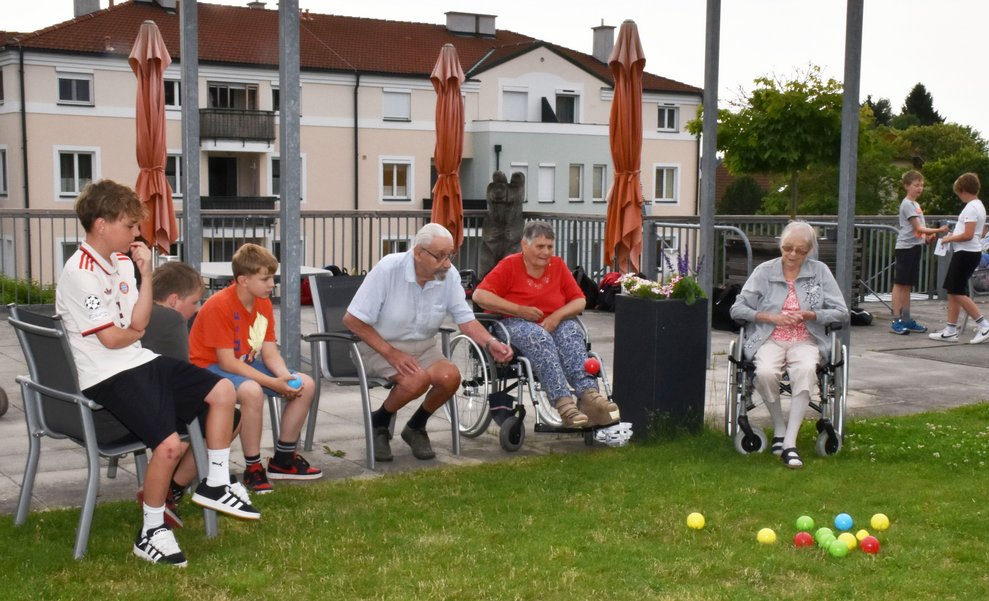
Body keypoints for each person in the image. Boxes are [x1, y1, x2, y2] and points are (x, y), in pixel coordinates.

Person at [56, 180, 260, 567]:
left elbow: (139, 323)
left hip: (138, 360)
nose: (136, 233)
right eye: (129, 225)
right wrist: (131, 332)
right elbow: (114, 340)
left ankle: (215, 482)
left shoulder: (121, 262)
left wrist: (146, 275)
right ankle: (150, 532)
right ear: (101, 224)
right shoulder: (79, 273)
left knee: (222, 391)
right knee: (167, 446)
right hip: (106, 376)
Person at [343, 223, 514, 462]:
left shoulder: (448, 275)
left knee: (450, 377)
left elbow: (465, 319)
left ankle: (415, 427)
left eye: (450, 255)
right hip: (378, 347)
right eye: (440, 256)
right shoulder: (388, 269)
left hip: (423, 346)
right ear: (418, 253)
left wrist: (490, 342)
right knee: (416, 380)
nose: (447, 263)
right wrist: (392, 353)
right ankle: (379, 423)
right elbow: (352, 320)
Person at [189, 243, 322, 494]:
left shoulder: (262, 303)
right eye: (265, 278)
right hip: (208, 368)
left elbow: (270, 352)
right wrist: (273, 384)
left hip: (243, 364)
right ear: (243, 280)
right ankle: (253, 468)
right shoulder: (220, 305)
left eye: (272, 277)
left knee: (305, 383)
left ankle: (283, 460)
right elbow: (227, 362)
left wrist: (284, 377)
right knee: (252, 391)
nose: (272, 284)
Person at [471, 220, 620, 429]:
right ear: (525, 245)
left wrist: (556, 316)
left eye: (550, 246)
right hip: (512, 322)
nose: (546, 252)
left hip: (552, 322)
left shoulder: (557, 265)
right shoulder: (510, 265)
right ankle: (564, 404)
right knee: (538, 337)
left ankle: (589, 396)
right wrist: (519, 309)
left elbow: (579, 301)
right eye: (540, 246)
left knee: (571, 332)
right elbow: (480, 295)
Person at [729, 221, 848, 469]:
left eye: (801, 250)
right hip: (768, 336)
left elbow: (841, 312)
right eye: (787, 248)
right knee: (764, 373)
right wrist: (771, 317)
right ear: (780, 245)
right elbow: (737, 308)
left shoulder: (820, 272)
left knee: (805, 369)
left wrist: (811, 315)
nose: (793, 254)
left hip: (807, 337)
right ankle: (779, 426)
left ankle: (790, 444)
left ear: (809, 251)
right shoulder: (764, 271)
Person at [139, 261, 241, 529]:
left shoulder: (137, 310)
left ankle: (168, 491)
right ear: (174, 300)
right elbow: (183, 385)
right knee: (229, 415)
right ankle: (172, 490)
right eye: (195, 302)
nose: (197, 309)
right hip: (150, 412)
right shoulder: (169, 320)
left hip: (116, 404)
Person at [928, 173, 989, 344]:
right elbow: (978, 232)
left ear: (962, 190)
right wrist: (954, 235)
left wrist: (949, 238)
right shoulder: (979, 205)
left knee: (957, 291)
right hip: (968, 252)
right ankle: (950, 329)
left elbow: (969, 235)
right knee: (952, 289)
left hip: (966, 253)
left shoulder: (971, 207)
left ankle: (984, 325)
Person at [890, 170, 948, 335]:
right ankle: (896, 320)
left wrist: (926, 238)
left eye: (921, 185)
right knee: (900, 283)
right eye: (916, 185)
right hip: (905, 248)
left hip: (914, 247)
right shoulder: (907, 204)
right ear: (907, 186)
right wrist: (938, 229)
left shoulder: (915, 205)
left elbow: (919, 232)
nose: (919, 188)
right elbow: (919, 227)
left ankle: (906, 319)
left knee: (907, 285)